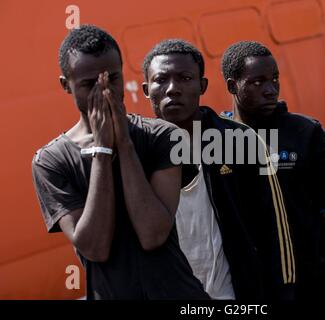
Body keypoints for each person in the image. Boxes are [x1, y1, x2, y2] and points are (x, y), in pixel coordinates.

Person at [31, 25, 209, 300]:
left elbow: (153, 234)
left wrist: (124, 144)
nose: (104, 92)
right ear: (66, 85)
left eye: (112, 79)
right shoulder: (51, 162)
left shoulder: (163, 137)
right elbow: (95, 248)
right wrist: (102, 150)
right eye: (89, 84)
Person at [141, 39, 295, 300]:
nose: (172, 89)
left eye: (184, 78)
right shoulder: (135, 152)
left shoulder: (242, 141)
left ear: (202, 86)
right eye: (161, 80)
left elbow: (275, 233)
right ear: (146, 89)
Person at [219, 41, 325, 300]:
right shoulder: (218, 141)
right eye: (257, 82)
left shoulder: (306, 133)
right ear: (232, 86)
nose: (271, 90)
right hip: (250, 289)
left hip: (314, 286)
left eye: (274, 79)